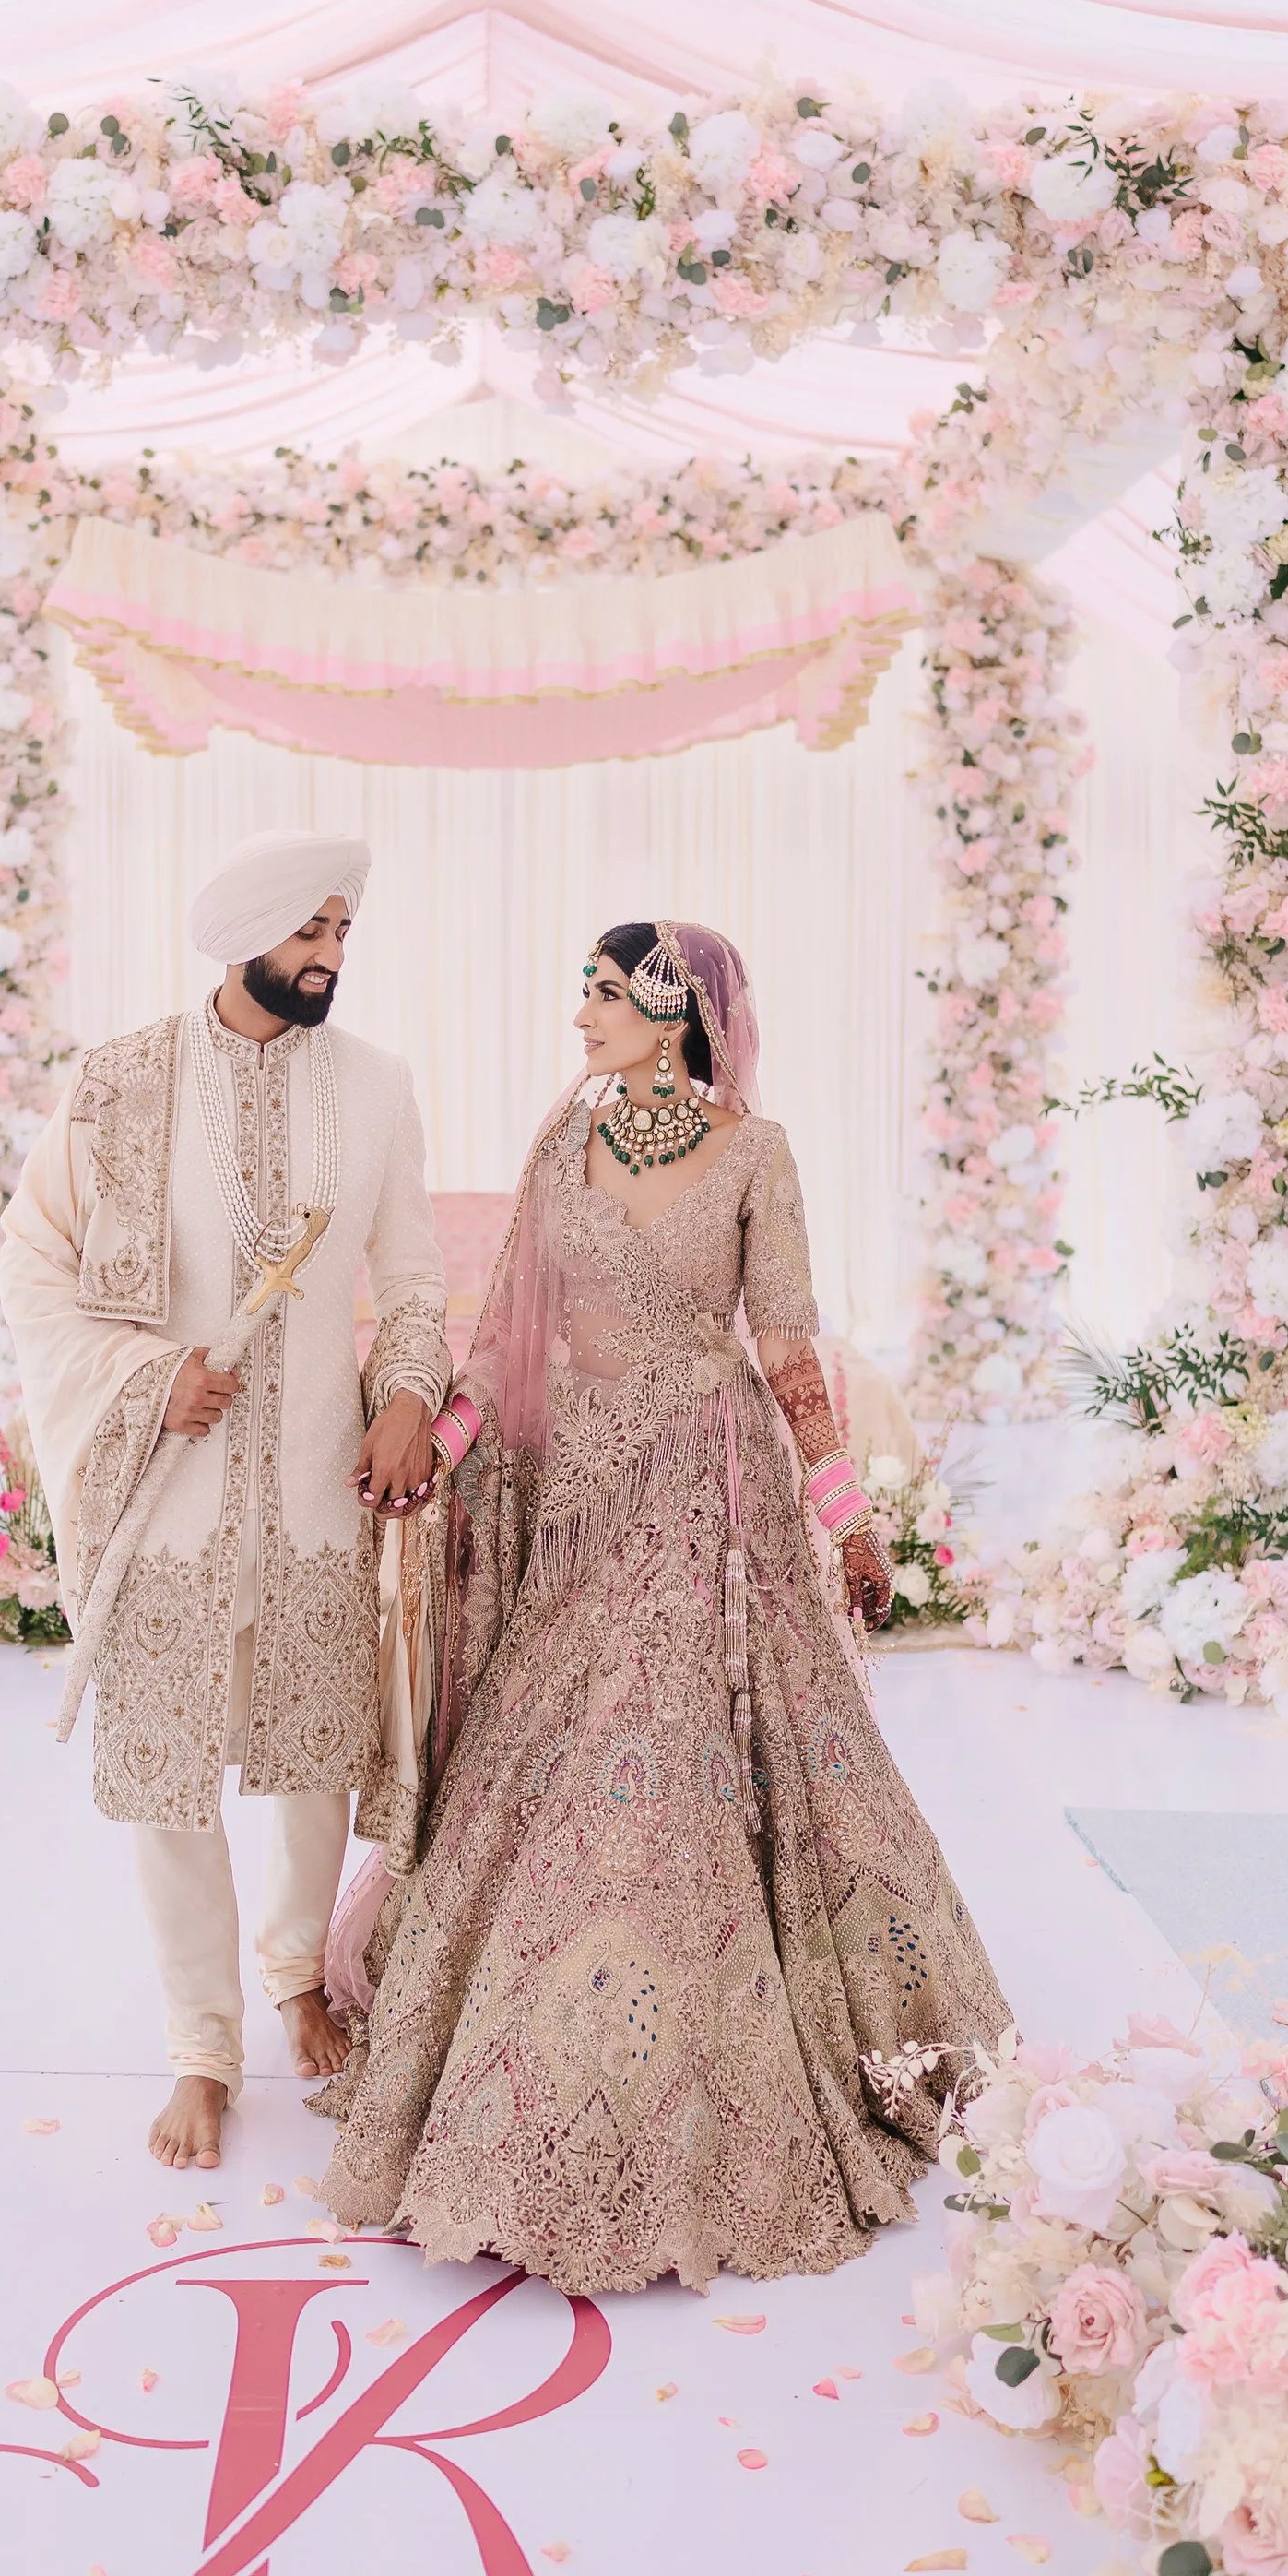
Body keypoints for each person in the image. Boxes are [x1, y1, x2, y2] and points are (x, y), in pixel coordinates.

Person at [314, 920, 1009, 2295]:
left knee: (684, 1776)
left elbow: (791, 1350)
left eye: (606, 991)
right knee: (557, 1767)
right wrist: (430, 1466)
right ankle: (538, 2074)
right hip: (578, 1495)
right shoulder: (561, 1146)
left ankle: (685, 2088)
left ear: (677, 1009)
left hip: (710, 1497)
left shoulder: (757, 1153)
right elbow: (504, 1332)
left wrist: (845, 1515)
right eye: (579, 986)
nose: (582, 1012)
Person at [1, 829, 451, 2176]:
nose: (328, 957)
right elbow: (36, 1267)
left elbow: (415, 1277)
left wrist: (410, 1393)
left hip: (318, 1492)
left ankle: (299, 1971)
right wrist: (152, 1376)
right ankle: (202, 2042)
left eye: (341, 935)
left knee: (315, 1761)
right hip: (169, 1500)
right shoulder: (122, 1084)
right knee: (171, 1787)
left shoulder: (375, 1087)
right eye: (310, 933)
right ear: (243, 934)